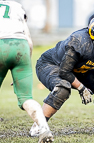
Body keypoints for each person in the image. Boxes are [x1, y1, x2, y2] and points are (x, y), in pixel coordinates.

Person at [29, 16, 94, 135]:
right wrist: (81, 88)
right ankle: (39, 126)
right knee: (63, 89)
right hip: (52, 64)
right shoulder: (78, 42)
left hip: (78, 70)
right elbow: (64, 72)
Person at [0, 1, 53, 142]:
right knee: (26, 98)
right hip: (21, 46)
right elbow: (29, 40)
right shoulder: (16, 6)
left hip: (1, 43)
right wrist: (22, 68)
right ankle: (44, 128)